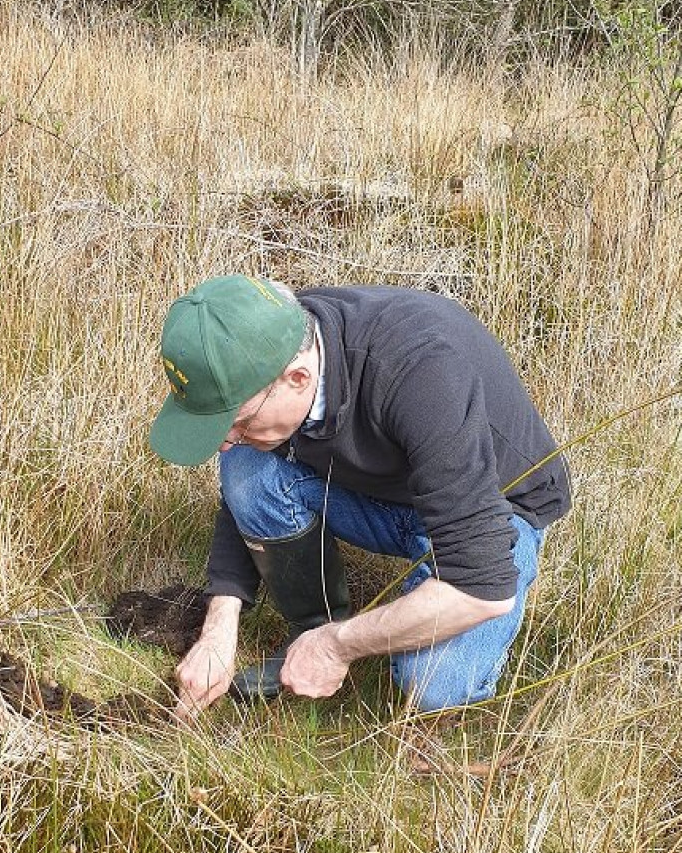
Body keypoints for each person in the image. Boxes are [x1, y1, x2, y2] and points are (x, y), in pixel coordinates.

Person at [148, 275, 571, 726]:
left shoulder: (422, 373)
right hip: (386, 490)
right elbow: (241, 491)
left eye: (236, 421)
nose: (225, 441)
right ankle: (308, 632)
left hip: (493, 509)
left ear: (298, 378)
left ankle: (328, 643)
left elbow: (481, 592)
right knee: (249, 466)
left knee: (434, 683)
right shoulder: (281, 337)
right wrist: (219, 627)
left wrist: (340, 645)